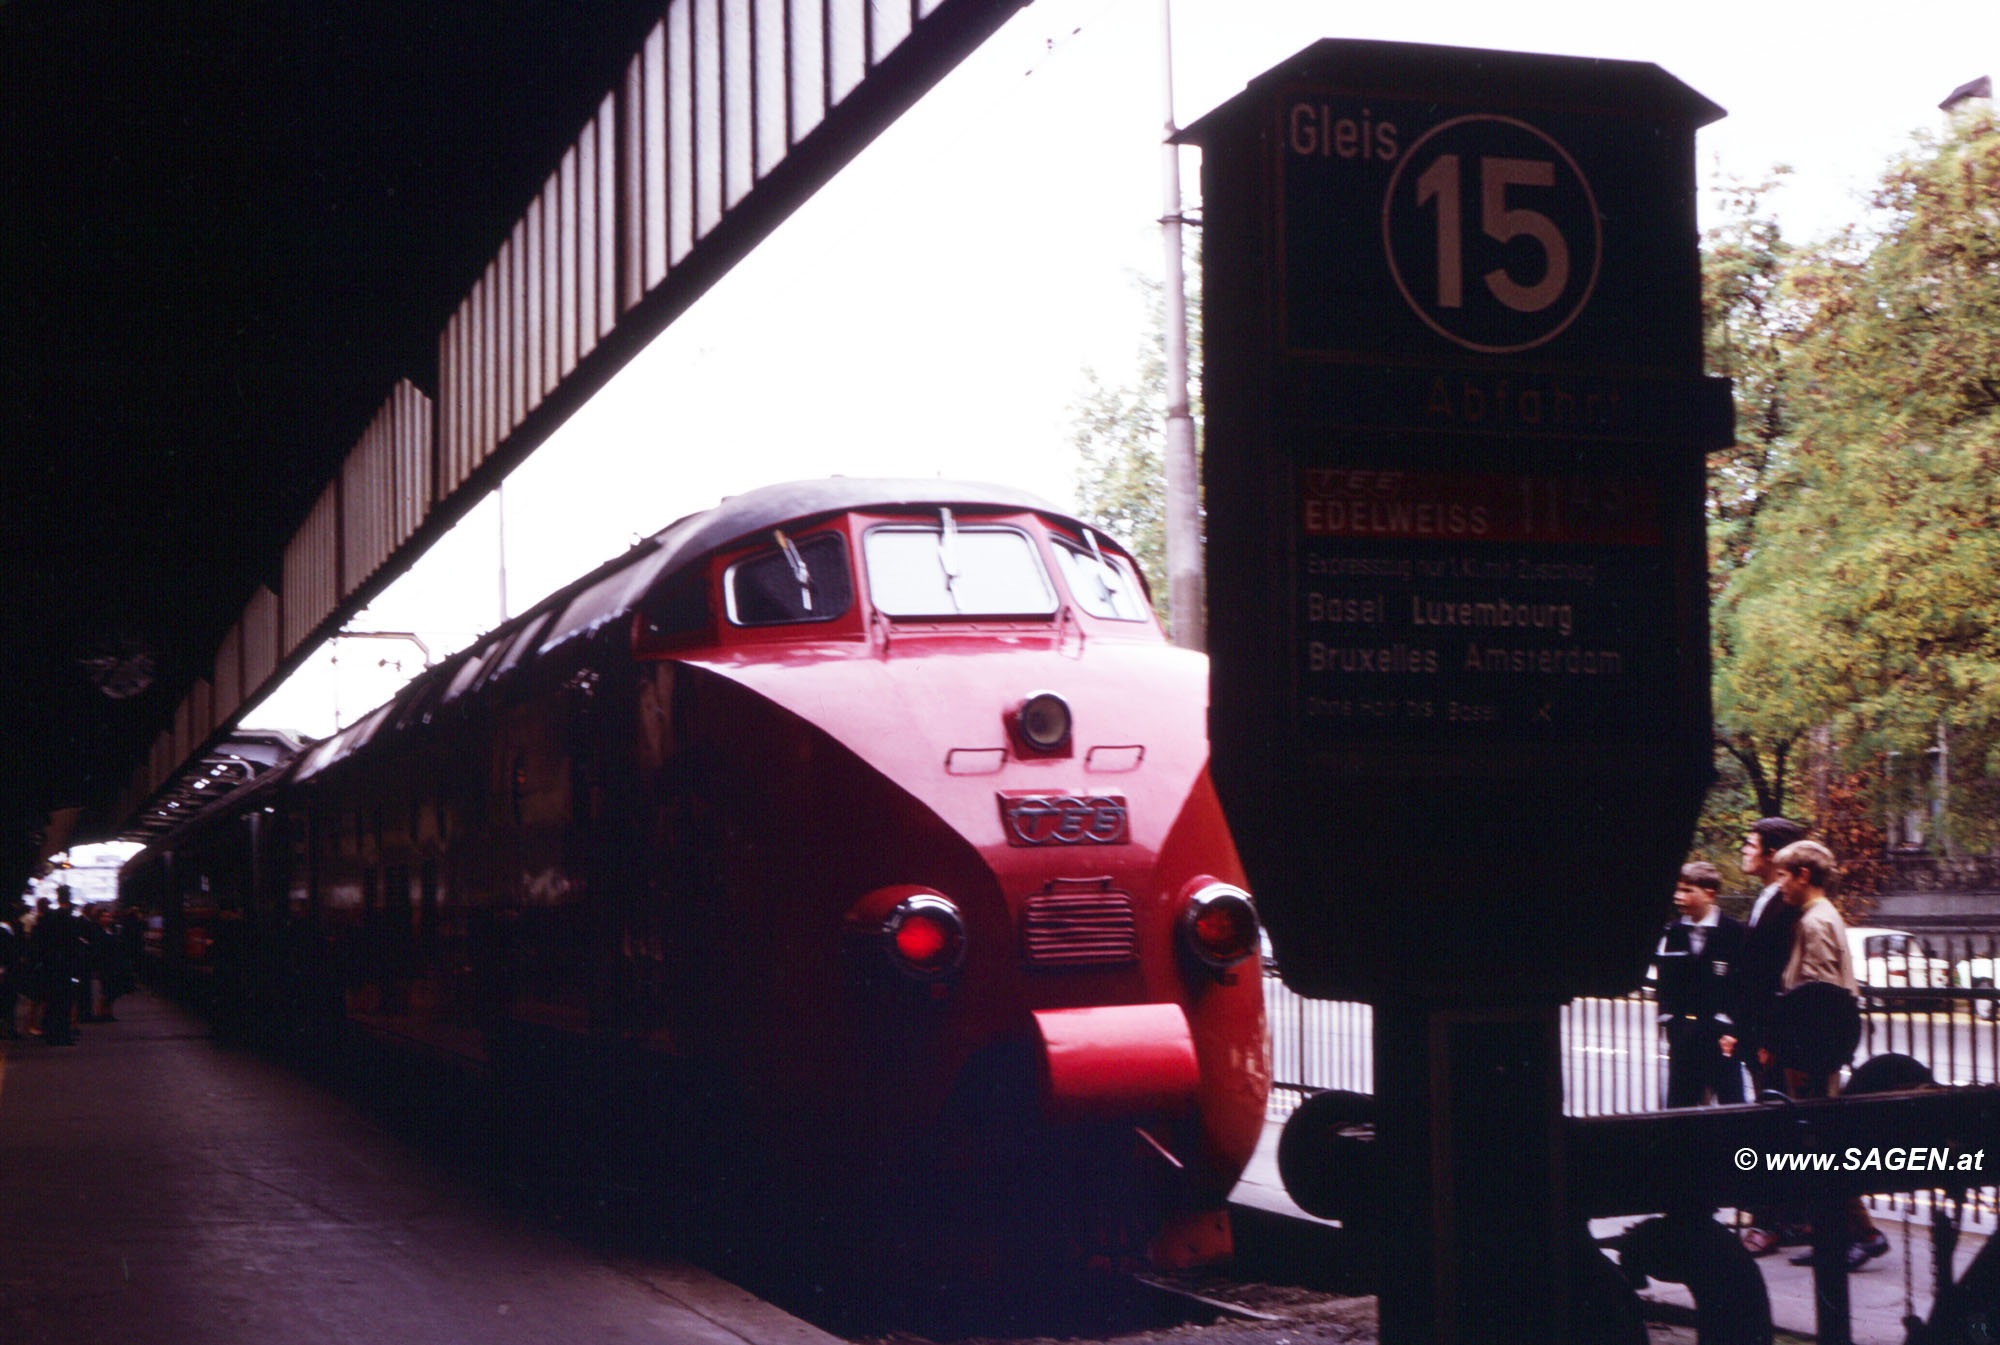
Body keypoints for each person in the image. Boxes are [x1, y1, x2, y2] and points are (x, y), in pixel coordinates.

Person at [1766, 839, 1889, 1270]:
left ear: (1803, 876)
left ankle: (1866, 1234)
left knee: (1822, 1144)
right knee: (1821, 1145)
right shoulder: (1823, 915)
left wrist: (1799, 1055)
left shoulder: (1815, 922)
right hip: (1819, 1054)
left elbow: (1816, 1001)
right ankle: (1835, 1237)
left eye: (1783, 875)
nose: (1779, 884)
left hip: (1813, 1059)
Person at [1720, 818, 1809, 1258]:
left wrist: (1764, 1035)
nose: (1743, 849)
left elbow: (1776, 979)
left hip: (1773, 1035)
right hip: (1756, 1031)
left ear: (1773, 853)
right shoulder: (1768, 899)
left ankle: (1775, 1223)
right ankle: (1788, 1218)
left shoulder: (1787, 905)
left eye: (1749, 843)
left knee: (1776, 1127)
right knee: (1774, 1124)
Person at [1654, 862, 1747, 1107]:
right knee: (1680, 1106)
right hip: (1684, 1035)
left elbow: (1742, 986)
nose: (1678, 897)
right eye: (1677, 890)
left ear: (1710, 893)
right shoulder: (1674, 931)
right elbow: (1665, 981)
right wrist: (1669, 1019)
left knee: (1731, 1105)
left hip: (1721, 1037)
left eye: (1687, 890)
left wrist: (1733, 1029)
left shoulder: (1734, 932)